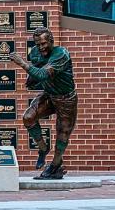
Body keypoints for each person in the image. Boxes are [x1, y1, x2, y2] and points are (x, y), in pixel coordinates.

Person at [8, 28, 77, 180]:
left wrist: (21, 63)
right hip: (50, 95)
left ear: (51, 41)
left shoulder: (61, 54)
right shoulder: (35, 52)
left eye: (44, 43)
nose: (41, 47)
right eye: (38, 44)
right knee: (28, 117)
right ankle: (43, 148)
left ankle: (55, 166)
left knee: (63, 133)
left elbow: (43, 74)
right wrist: (31, 80)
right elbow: (37, 71)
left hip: (66, 99)